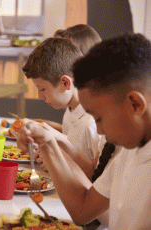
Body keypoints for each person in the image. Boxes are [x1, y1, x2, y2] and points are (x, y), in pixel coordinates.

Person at [18, 33, 151, 229]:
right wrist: (47, 142)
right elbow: (82, 211)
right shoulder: (129, 151)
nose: (98, 129)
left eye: (99, 118)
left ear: (135, 104)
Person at [20, 37, 102, 180]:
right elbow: (73, 143)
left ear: (65, 83)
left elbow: (97, 177)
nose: (40, 96)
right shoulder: (71, 109)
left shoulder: (92, 123)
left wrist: (57, 161)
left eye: (42, 89)